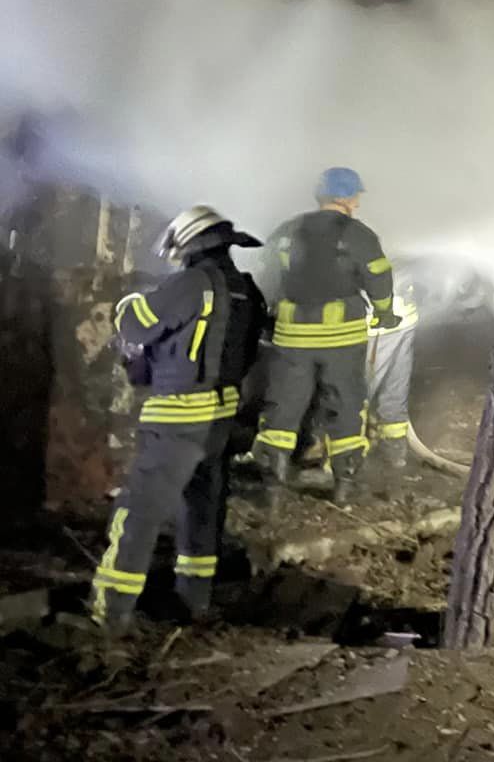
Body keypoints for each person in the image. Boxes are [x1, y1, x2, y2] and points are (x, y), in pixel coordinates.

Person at [94, 207, 267, 631]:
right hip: (221, 421)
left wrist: (129, 303)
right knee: (202, 513)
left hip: (177, 421)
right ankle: (194, 602)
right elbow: (248, 354)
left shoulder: (192, 283)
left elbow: (136, 328)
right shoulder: (246, 290)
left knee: (138, 513)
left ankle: (109, 614)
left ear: (188, 244)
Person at [253, 167, 397, 504]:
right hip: (341, 338)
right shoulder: (358, 234)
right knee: (345, 404)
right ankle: (343, 486)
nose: (358, 204)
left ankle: (273, 486)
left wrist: (267, 317)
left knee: (283, 408)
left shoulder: (288, 230)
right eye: (356, 197)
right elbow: (378, 276)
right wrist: (384, 312)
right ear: (348, 198)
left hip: (292, 337)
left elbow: (267, 277)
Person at [364, 273, 419, 472]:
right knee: (393, 392)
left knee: (355, 395)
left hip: (375, 323)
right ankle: (394, 455)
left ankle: (344, 465)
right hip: (403, 317)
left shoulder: (361, 243)